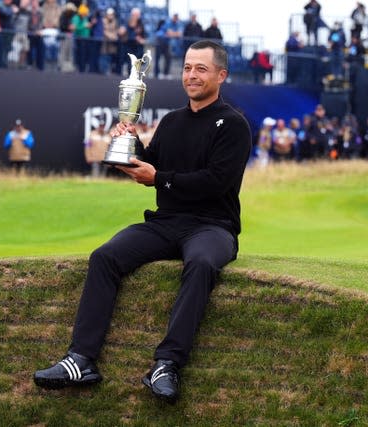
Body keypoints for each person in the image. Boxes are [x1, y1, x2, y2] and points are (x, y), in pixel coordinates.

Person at [33, 40, 252, 404]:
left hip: (213, 226)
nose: (191, 75)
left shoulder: (233, 125)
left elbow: (216, 181)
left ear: (221, 75)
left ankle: (167, 364)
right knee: (105, 256)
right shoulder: (171, 121)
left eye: (201, 68)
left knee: (199, 264)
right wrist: (130, 146)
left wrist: (158, 178)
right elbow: (152, 163)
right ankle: (81, 360)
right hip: (166, 222)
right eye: (187, 68)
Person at [154, 13, 182, 79]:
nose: (176, 19)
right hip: (159, 42)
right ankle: (156, 73)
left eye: (177, 18)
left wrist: (172, 34)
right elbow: (170, 33)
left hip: (166, 43)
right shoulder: (167, 23)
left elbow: (179, 34)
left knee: (168, 58)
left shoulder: (177, 24)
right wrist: (174, 34)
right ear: (173, 17)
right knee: (157, 59)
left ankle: (166, 73)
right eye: (175, 17)